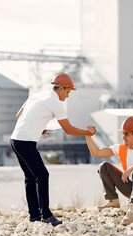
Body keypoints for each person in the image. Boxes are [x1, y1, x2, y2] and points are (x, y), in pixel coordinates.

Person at [10, 72, 96, 226]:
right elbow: (68, 129)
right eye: (68, 92)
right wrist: (87, 132)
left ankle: (34, 215)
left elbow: (19, 115)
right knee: (42, 175)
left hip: (15, 139)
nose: (68, 96)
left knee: (31, 177)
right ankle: (47, 216)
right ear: (61, 88)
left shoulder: (37, 95)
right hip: (26, 142)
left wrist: (39, 125)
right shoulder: (56, 102)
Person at [85, 116, 133, 225]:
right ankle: (113, 201)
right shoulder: (120, 148)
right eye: (123, 134)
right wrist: (88, 135)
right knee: (104, 166)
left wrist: (131, 168)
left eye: (126, 134)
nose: (123, 137)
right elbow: (96, 152)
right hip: (131, 188)